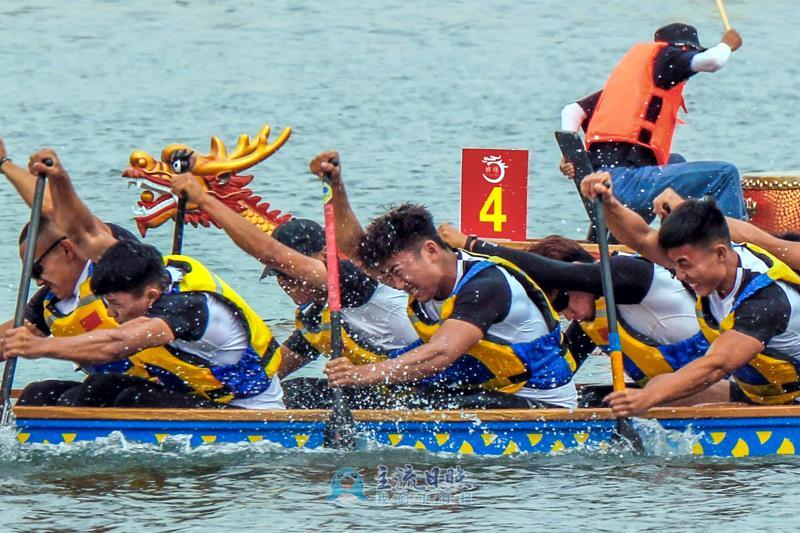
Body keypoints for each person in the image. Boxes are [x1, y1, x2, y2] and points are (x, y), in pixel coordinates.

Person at [1, 149, 284, 409]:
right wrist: (57, 177)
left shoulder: (187, 307)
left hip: (245, 409)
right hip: (188, 393)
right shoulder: (129, 272)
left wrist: (39, 347)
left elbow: (115, 343)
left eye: (114, 304)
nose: (109, 313)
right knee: (46, 392)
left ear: (150, 296)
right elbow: (73, 226)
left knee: (125, 396)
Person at [169, 159, 420, 409]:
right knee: (288, 392)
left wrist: (204, 200)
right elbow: (270, 372)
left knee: (300, 394)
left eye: (292, 273)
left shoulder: (351, 282)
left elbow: (270, 253)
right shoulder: (315, 317)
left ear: (324, 256)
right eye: (280, 277)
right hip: (384, 394)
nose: (288, 284)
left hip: (423, 390)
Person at [581, 171, 800, 415]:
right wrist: (609, 203)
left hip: (793, 402)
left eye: (684, 265)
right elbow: (642, 238)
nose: (679, 274)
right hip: (764, 393)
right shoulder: (708, 259)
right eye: (675, 264)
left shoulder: (765, 301)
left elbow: (717, 365)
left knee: (655, 394)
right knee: (659, 385)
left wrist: (648, 398)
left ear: (720, 253)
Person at [437, 225, 715, 396]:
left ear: (577, 273)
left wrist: (473, 245)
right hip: (675, 393)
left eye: (560, 302)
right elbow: (559, 367)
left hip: (717, 386)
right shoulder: (592, 319)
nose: (565, 314)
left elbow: (556, 273)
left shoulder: (630, 274)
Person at [0, 137, 148, 406]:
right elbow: (7, 341)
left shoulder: (115, 260)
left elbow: (55, 211)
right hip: (116, 390)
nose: (38, 281)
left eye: (37, 269)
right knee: (37, 394)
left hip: (166, 388)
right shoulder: (51, 303)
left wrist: (4, 164)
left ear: (67, 250)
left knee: (96, 390)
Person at [559, 23, 747, 220]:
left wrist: (572, 156)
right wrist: (727, 44)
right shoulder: (668, 57)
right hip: (625, 183)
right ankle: (733, 237)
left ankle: (679, 233)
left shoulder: (634, 86)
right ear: (683, 50)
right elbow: (713, 61)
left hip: (604, 179)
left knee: (676, 161)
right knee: (726, 173)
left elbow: (572, 111)